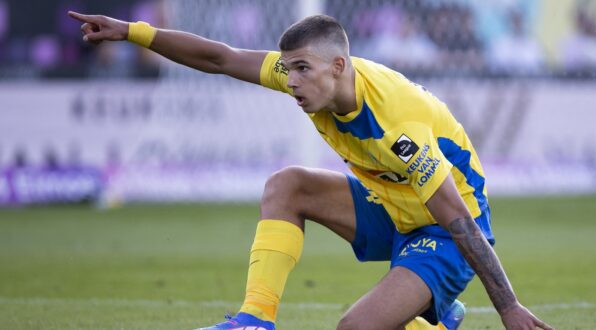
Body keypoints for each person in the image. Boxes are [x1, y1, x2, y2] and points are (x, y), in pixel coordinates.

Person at [68, 10, 553, 330]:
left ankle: (434, 317)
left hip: (446, 231)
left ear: (338, 66)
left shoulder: (397, 125)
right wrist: (132, 32)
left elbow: (461, 221)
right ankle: (255, 319)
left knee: (354, 329)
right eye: (289, 70)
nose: (291, 82)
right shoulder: (311, 75)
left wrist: (509, 308)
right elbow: (221, 58)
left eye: (302, 70)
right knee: (289, 185)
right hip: (393, 205)